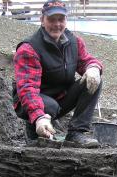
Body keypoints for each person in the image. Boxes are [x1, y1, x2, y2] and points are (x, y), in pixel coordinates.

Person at [13, 0, 103, 148]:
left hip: (60, 98)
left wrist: (93, 68)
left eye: (61, 19)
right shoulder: (29, 49)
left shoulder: (74, 42)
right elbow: (28, 89)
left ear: (66, 20)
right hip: (30, 102)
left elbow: (86, 60)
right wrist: (38, 116)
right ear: (42, 20)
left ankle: (75, 133)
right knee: (50, 107)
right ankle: (33, 129)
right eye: (51, 20)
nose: (57, 24)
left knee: (94, 80)